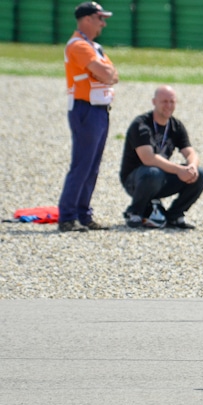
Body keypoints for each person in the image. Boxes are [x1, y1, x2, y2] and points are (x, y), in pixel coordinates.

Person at [58, 2, 118, 232]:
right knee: (82, 165)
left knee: (92, 166)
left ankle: (83, 214)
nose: (103, 23)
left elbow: (114, 75)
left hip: (99, 110)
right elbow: (106, 73)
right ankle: (67, 217)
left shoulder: (95, 47)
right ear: (86, 19)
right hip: (86, 109)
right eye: (99, 18)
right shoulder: (79, 46)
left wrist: (106, 75)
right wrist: (106, 74)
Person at [120, 85, 203, 229]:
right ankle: (135, 212)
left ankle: (175, 215)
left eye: (172, 102)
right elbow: (148, 158)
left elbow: (191, 152)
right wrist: (179, 170)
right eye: (164, 101)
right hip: (137, 179)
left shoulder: (176, 125)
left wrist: (191, 167)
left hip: (160, 177)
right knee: (153, 172)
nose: (168, 105)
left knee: (200, 174)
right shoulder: (141, 124)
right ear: (154, 102)